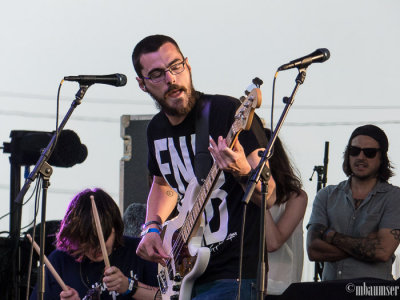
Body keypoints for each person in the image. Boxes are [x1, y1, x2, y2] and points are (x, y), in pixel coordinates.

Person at [132, 34, 276, 299]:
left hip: (234, 274)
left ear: (187, 65)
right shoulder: (155, 129)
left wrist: (242, 170)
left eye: (176, 67)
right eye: (157, 74)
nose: (171, 79)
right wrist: (152, 228)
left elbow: (269, 195)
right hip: (184, 274)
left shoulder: (227, 111)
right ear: (142, 84)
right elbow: (162, 183)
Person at [307, 124, 400, 281]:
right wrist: (365, 246)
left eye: (369, 153)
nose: (360, 157)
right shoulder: (327, 195)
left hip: (373, 294)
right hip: (330, 292)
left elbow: (383, 252)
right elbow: (313, 251)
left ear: (381, 158)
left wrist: (331, 235)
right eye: (354, 151)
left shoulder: (394, 197)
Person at [30, 188, 159, 300]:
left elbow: (169, 296)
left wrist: (130, 287)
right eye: (88, 242)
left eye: (102, 238)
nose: (96, 248)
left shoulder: (141, 251)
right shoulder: (59, 261)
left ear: (115, 226)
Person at [263, 129, 308, 296]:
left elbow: (273, 242)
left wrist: (257, 193)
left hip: (279, 288)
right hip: (243, 284)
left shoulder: (296, 197)